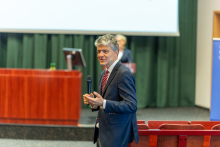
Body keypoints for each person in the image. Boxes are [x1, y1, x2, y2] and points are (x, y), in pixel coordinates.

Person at [83, 34, 139, 147]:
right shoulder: (103, 73)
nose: (101, 55)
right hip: (103, 131)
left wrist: (103, 103)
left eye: (105, 51)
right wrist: (94, 103)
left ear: (116, 52)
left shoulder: (123, 73)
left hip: (116, 134)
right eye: (99, 51)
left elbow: (131, 105)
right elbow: (105, 101)